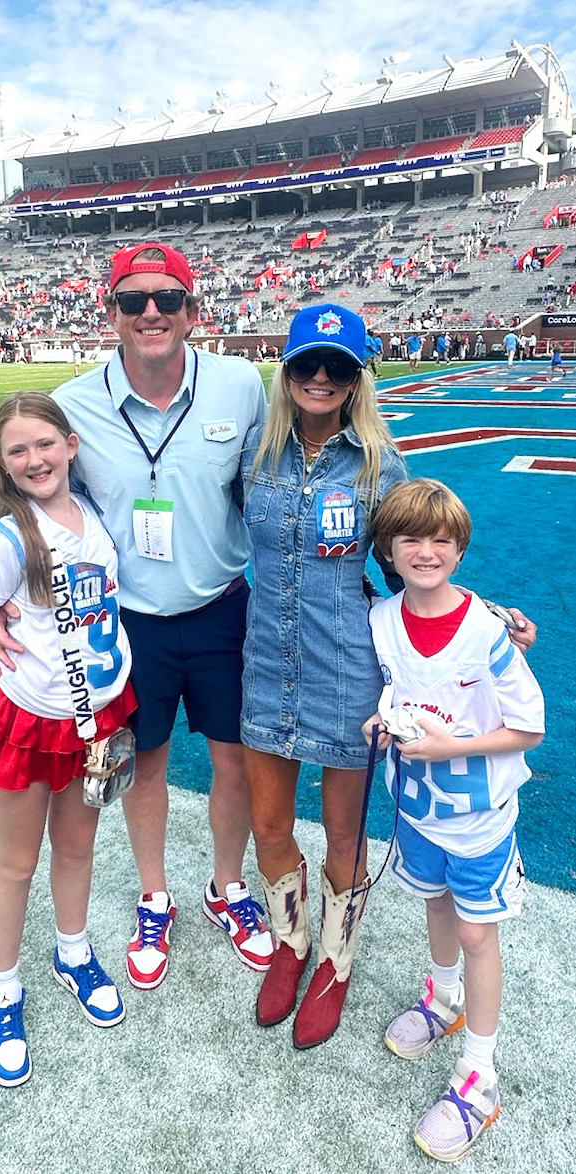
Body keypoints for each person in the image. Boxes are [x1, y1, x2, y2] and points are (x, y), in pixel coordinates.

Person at [0, 244, 274, 992]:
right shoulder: (74, 402)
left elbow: (268, 487)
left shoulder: (242, 383)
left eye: (168, 298)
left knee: (232, 760)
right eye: (134, 299)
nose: (152, 311)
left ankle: (225, 887)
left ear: (194, 310)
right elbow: (33, 499)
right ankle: (155, 895)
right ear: (108, 313)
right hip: (126, 621)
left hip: (221, 606)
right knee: (140, 764)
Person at [0, 393, 136, 1088]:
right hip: (25, 719)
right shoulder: (4, 538)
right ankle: (2, 991)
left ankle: (72, 950)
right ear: (1, 463)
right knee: (16, 862)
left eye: (44, 444)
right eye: (17, 450)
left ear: (71, 444)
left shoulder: (94, 516)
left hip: (94, 718)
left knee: (79, 846)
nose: (34, 459)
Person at [241, 305, 408, 1049]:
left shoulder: (379, 465)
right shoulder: (254, 453)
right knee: (270, 824)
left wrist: (479, 617)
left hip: (346, 669)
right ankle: (291, 941)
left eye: (336, 367)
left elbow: (413, 565)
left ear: (355, 377)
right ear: (286, 371)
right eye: (306, 363)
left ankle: (336, 960)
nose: (319, 378)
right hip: (264, 662)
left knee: (343, 831)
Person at [363, 479, 544, 1163]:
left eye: (440, 540)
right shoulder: (382, 619)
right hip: (414, 805)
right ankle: (441, 1001)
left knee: (475, 930)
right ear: (388, 547)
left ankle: (479, 1077)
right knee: (435, 905)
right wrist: (383, 721)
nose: (426, 550)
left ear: (459, 549)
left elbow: (528, 728)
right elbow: (399, 689)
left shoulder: (485, 632)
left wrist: (448, 748)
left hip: (477, 814)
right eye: (410, 538)